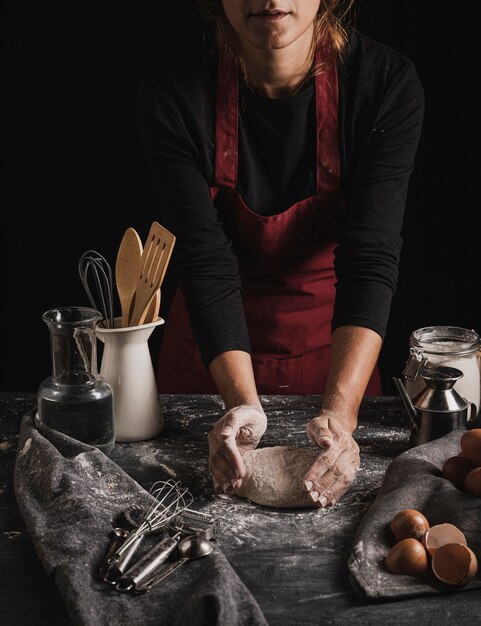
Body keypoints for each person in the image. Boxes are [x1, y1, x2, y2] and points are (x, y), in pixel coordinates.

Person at [136, 0, 424, 507]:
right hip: (207, 366)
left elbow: (370, 259)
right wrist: (242, 405)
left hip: (332, 357)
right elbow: (205, 263)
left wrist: (339, 416)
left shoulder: (382, 85)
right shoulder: (176, 95)